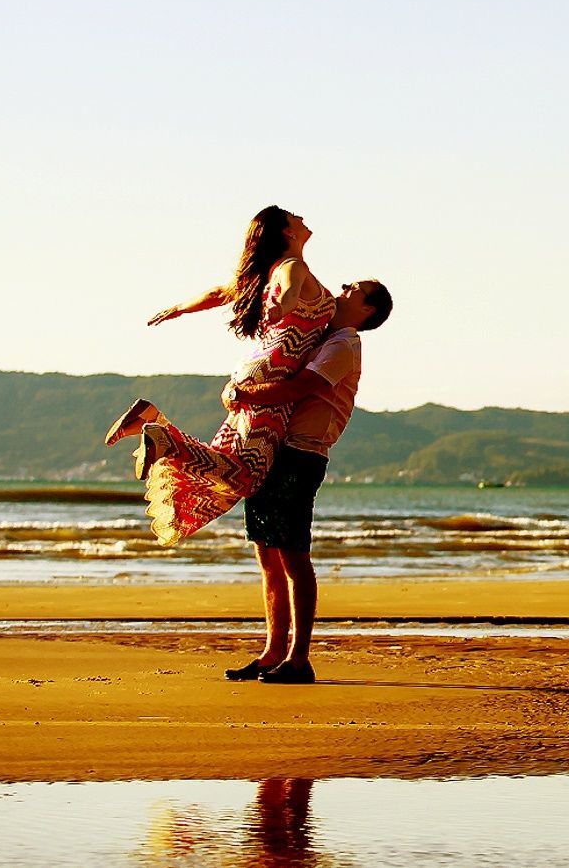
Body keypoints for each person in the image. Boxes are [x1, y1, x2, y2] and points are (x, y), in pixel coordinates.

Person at [104, 206, 337, 545]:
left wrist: (180, 308)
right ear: (287, 232)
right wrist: (282, 305)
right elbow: (289, 289)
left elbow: (218, 293)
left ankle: (153, 422)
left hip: (258, 369)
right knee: (244, 478)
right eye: (293, 216)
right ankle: (161, 433)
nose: (301, 217)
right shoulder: (291, 267)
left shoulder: (265, 272)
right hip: (274, 375)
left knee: (228, 467)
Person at [219, 279, 392, 685]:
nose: (344, 286)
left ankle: (299, 659)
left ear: (366, 310)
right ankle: (272, 652)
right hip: (277, 450)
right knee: (268, 555)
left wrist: (247, 394)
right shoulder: (322, 336)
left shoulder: (344, 344)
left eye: (354, 288)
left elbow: (305, 386)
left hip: (301, 454)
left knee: (294, 556)